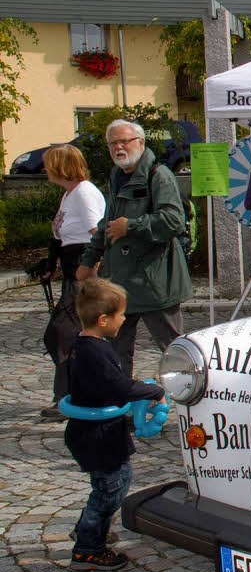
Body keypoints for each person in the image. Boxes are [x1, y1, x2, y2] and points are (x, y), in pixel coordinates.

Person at [76, 119, 192, 378]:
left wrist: (131, 226)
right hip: (120, 284)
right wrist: (88, 260)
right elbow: (106, 224)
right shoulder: (117, 176)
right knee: (116, 352)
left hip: (155, 283)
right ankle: (123, 408)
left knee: (176, 350)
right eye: (113, 143)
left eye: (124, 141)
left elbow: (174, 221)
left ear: (140, 142)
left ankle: (191, 402)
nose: (119, 147)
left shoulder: (158, 175)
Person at [65, 278, 165, 571]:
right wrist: (153, 391)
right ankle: (87, 549)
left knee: (105, 486)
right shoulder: (95, 352)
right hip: (99, 435)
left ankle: (89, 528)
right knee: (112, 489)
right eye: (121, 314)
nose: (124, 319)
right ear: (103, 319)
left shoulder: (85, 344)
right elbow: (118, 388)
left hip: (92, 432)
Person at [39, 145, 107, 419]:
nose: (44, 170)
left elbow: (97, 233)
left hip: (83, 274)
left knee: (63, 335)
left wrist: (90, 271)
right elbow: (62, 236)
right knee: (60, 336)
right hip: (71, 272)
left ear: (60, 166)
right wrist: (51, 264)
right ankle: (71, 393)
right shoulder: (69, 194)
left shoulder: (84, 193)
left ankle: (70, 397)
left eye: (48, 165)